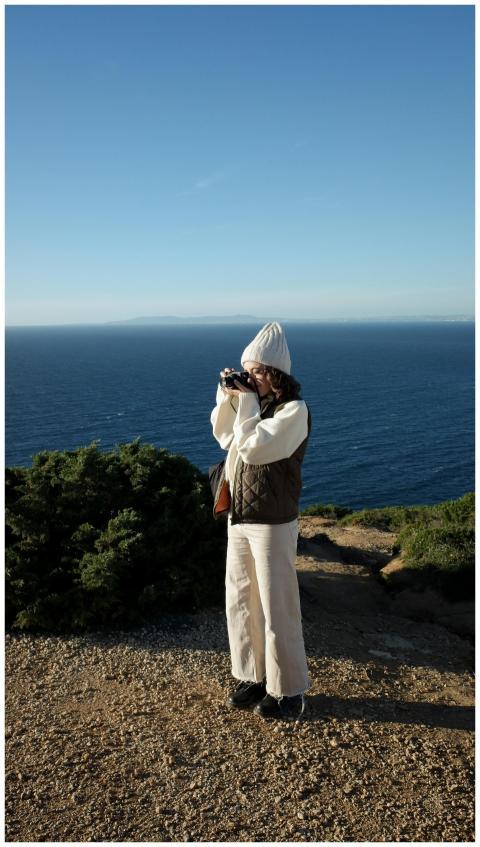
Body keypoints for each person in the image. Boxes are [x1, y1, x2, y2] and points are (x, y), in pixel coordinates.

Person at [210, 321, 311, 719]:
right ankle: (253, 676)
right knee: (240, 601)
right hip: (241, 516)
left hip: (273, 522)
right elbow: (225, 436)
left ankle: (288, 691)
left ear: (275, 374)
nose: (249, 379)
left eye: (255, 372)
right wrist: (230, 395)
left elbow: (253, 448)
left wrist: (247, 402)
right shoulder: (255, 406)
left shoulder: (294, 411)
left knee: (276, 605)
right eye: (246, 372)